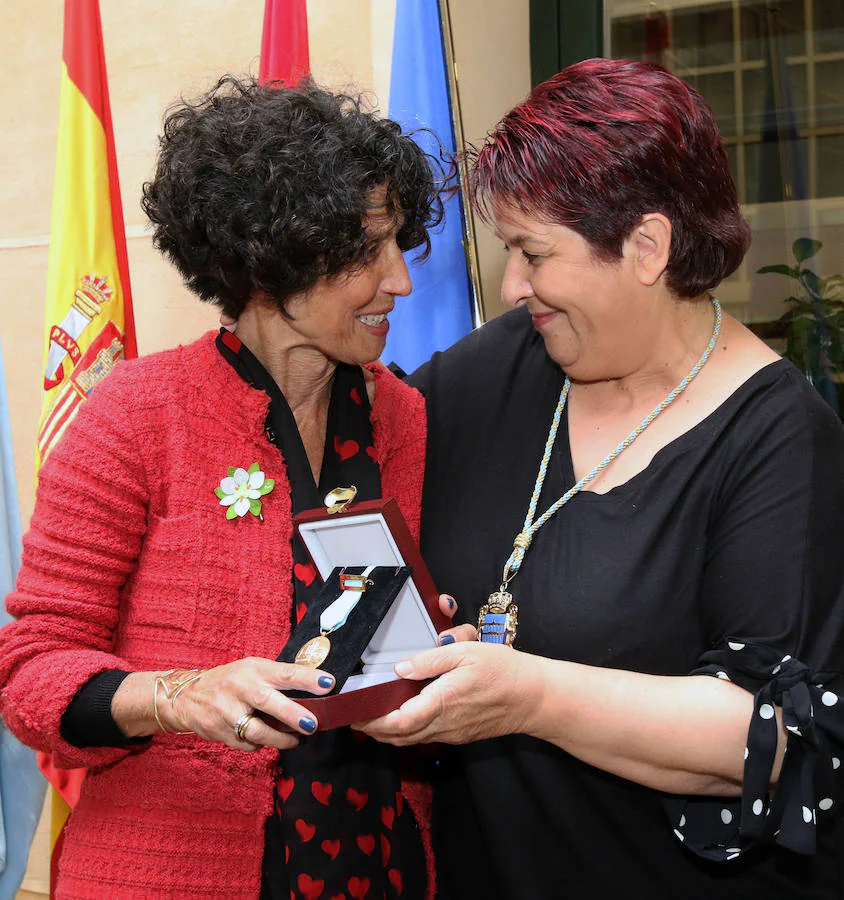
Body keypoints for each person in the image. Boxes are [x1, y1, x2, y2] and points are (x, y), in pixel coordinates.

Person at [359, 58, 844, 898]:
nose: (513, 288)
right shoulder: (499, 367)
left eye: (533, 253)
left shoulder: (780, 440)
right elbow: (342, 454)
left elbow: (763, 737)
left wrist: (528, 695)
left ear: (647, 247)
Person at [0, 75, 463, 900]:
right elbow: (31, 674)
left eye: (399, 243)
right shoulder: (138, 414)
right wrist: (178, 696)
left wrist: (447, 656)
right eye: (366, 251)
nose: (400, 281)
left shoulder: (410, 420)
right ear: (269, 256)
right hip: (171, 868)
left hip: (385, 865)